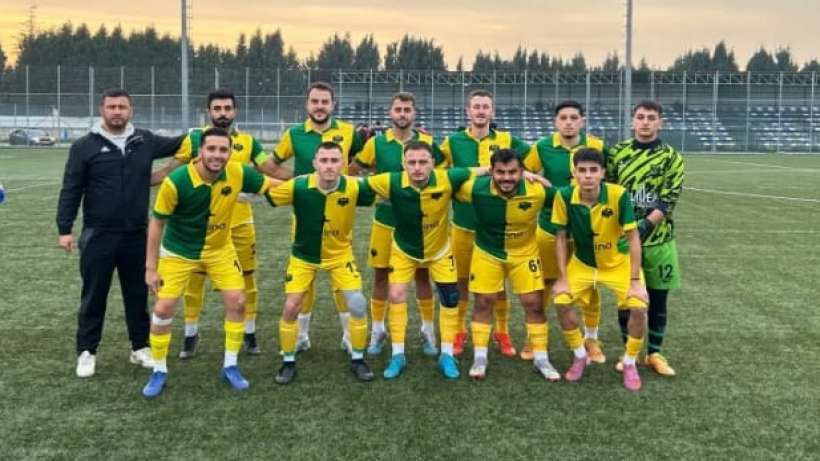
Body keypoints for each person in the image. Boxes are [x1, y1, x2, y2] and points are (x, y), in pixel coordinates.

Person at [151, 89, 290, 359]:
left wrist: (307, 180)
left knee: (247, 280)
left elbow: (270, 171)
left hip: (240, 223)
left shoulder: (248, 142)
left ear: (234, 111)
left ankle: (249, 333)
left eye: (227, 108)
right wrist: (137, 181)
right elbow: (171, 170)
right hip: (200, 226)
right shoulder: (195, 139)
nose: (223, 113)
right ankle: (190, 334)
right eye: (217, 108)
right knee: (194, 281)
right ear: (209, 111)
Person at [141, 127, 279, 398]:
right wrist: (150, 268)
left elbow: (273, 185)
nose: (217, 155)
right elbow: (157, 223)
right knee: (163, 307)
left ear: (230, 152)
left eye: (223, 150)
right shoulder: (177, 181)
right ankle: (158, 370)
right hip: (179, 252)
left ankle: (230, 365)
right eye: (211, 149)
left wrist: (313, 182)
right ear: (200, 151)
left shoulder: (237, 172)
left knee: (238, 302)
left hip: (219, 250)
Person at [56, 88, 185, 378]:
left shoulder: (145, 140)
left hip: (136, 235)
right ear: (102, 109)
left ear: (131, 110)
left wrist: (207, 132)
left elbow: (181, 143)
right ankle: (87, 351)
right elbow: (71, 188)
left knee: (137, 295)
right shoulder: (84, 146)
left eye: (122, 107)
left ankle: (140, 347)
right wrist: (64, 228)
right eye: (111, 106)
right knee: (93, 295)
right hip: (98, 234)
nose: (117, 111)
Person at [358, 141, 480, 380]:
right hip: (403, 250)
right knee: (396, 295)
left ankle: (447, 354)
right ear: (403, 164)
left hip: (440, 251)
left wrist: (525, 174)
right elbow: (355, 183)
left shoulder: (447, 178)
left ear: (433, 163)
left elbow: (479, 170)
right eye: (411, 162)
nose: (417, 167)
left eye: (423, 162)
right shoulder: (390, 181)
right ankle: (398, 354)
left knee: (450, 298)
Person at [269, 142, 376, 384]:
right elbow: (262, 193)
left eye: (334, 161)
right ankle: (288, 361)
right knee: (291, 307)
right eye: (324, 160)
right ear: (315, 163)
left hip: (340, 257)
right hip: (303, 257)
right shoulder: (298, 186)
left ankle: (358, 358)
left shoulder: (354, 187)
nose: (329, 166)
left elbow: (386, 192)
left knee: (357, 304)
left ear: (343, 164)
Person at [348, 92, 444, 357]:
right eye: (398, 109)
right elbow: (353, 170)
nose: (402, 114)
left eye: (407, 109)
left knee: (422, 275)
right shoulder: (376, 143)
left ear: (414, 113)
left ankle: (427, 330)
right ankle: (378, 330)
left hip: (418, 222)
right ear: (391, 113)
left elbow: (443, 173)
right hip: (386, 220)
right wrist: (377, 190)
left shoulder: (427, 142)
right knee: (381, 275)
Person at [272, 81, 365, 352]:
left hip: (340, 213)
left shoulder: (348, 132)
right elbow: (271, 164)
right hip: (304, 216)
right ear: (307, 104)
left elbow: (361, 161)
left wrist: (348, 179)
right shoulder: (294, 134)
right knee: (306, 278)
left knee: (341, 278)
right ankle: (301, 336)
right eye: (315, 101)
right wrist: (295, 181)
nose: (320, 106)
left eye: (325, 101)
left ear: (333, 105)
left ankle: (349, 337)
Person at [455, 149, 560, 381]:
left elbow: (566, 198)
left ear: (522, 172)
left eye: (513, 172)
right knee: (484, 301)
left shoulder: (537, 191)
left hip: (524, 254)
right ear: (491, 172)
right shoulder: (475, 189)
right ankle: (480, 357)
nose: (506, 178)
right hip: (487, 252)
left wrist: (543, 180)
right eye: (500, 172)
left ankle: (541, 358)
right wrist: (480, 170)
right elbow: (445, 179)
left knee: (534, 303)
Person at [440, 89, 530, 357]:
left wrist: (529, 177)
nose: (480, 111)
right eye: (476, 106)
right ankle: (459, 331)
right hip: (463, 225)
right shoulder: (452, 141)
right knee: (460, 282)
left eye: (485, 107)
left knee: (498, 285)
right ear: (468, 111)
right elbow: (439, 172)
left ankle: (502, 331)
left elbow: (531, 161)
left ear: (492, 111)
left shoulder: (507, 140)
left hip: (496, 227)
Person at [551, 148, 649, 391]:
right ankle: (579, 354)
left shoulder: (618, 194)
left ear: (603, 173)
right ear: (574, 173)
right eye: (582, 170)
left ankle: (630, 361)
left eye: (593, 170)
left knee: (638, 307)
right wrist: (562, 278)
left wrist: (635, 280)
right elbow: (560, 238)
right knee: (561, 300)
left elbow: (633, 238)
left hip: (617, 264)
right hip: (583, 264)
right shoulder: (564, 196)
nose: (587, 176)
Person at [521, 100, 607, 362]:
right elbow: (522, 170)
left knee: (591, 285)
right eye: (563, 118)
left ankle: (591, 339)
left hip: (586, 230)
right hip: (549, 227)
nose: (568, 122)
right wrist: (534, 178)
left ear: (582, 121)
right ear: (555, 122)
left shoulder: (597, 145)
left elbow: (608, 181)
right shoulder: (542, 146)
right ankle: (535, 338)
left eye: (574, 118)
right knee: (545, 284)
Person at [607, 100, 685, 377]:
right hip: (624, 241)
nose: (645, 122)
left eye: (651, 117)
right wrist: (627, 229)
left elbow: (668, 198)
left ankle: (654, 353)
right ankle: (630, 352)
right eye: (640, 117)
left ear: (660, 122)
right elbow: (609, 191)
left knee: (658, 299)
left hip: (659, 240)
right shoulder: (617, 153)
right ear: (632, 121)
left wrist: (644, 226)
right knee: (628, 300)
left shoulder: (672, 157)